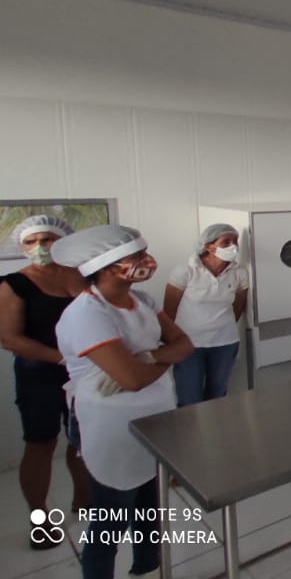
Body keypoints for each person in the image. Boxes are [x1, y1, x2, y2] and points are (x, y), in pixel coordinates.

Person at [52, 225, 194, 579]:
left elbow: (185, 345)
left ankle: (147, 567)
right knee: (112, 517)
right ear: (109, 266)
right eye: (137, 256)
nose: (147, 261)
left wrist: (148, 358)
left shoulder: (143, 301)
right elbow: (132, 380)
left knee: (150, 507)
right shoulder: (86, 313)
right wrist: (157, 359)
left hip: (155, 417)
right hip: (110, 426)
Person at [0, 216, 93, 549]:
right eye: (31, 241)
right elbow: (9, 338)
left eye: (48, 239)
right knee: (40, 444)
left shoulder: (82, 276)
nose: (39, 247)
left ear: (63, 240)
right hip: (39, 374)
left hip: (85, 372)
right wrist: (61, 358)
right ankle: (39, 518)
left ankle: (84, 502)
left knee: (83, 441)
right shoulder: (14, 284)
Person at [164, 223, 250, 407]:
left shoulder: (239, 272)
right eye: (226, 242)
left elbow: (238, 306)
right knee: (189, 397)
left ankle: (214, 426)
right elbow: (169, 311)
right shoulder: (185, 270)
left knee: (217, 395)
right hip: (189, 345)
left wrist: (220, 325)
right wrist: (170, 343)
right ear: (208, 246)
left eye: (235, 241)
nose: (233, 246)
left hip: (225, 343)